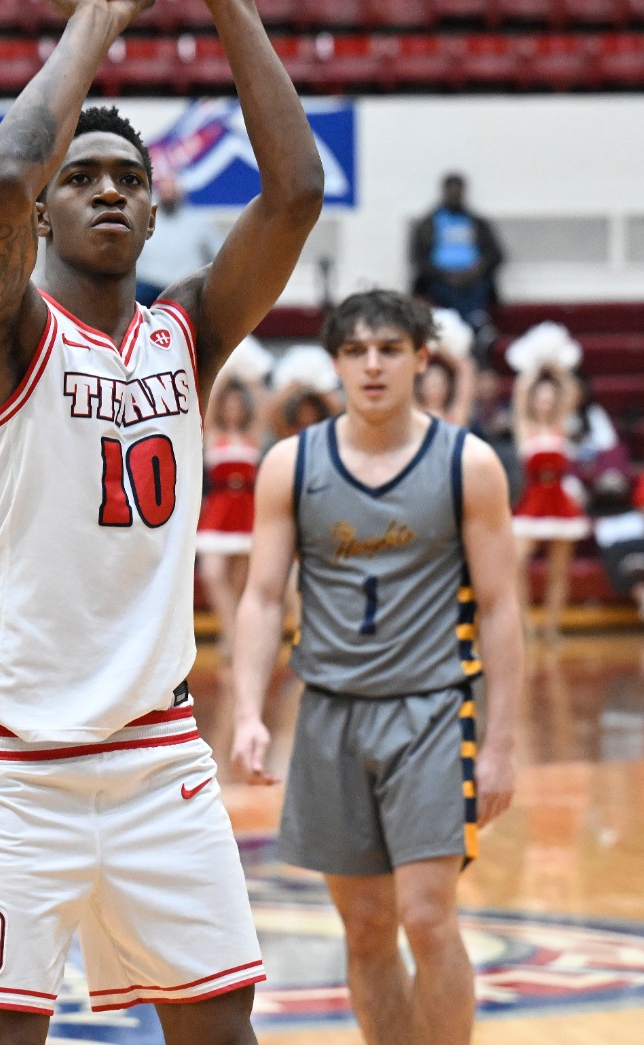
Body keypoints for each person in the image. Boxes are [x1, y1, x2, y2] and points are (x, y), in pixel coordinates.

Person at [0, 0, 321, 1041]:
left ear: (155, 212)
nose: (105, 191)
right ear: (48, 212)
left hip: (157, 757)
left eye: (128, 181)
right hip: (10, 767)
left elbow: (295, 190)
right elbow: (2, 170)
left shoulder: (184, 335)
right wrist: (98, 14)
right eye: (82, 178)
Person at [230, 292, 523, 1045]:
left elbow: (499, 607)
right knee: (365, 928)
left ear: (422, 359)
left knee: (427, 918)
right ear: (334, 363)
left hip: (431, 710)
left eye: (389, 349)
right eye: (355, 351)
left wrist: (500, 744)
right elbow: (262, 596)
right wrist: (248, 712)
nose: (372, 365)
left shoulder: (470, 464)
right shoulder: (291, 465)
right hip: (329, 711)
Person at [511, 359, 588, 642]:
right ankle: (526, 624)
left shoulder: (561, 427)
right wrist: (534, 367)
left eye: (549, 398)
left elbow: (570, 389)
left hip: (559, 500)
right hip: (532, 500)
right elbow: (519, 396)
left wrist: (556, 366)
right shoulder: (524, 426)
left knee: (559, 570)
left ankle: (552, 627)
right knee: (515, 563)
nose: (545, 403)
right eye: (540, 398)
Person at [196, 371, 262, 656]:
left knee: (239, 584)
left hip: (247, 509)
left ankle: (232, 641)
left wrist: (249, 377)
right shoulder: (213, 436)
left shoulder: (252, 437)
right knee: (212, 573)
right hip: (219, 508)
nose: (233, 409)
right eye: (229, 405)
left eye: (238, 405)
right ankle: (233, 632)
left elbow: (264, 406)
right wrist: (223, 376)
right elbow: (205, 408)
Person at [409, 173, 504, 329]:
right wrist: (446, 274)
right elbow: (418, 259)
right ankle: (471, 325)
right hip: (440, 278)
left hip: (474, 278)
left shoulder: (477, 222)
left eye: (458, 190)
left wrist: (477, 269)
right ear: (444, 191)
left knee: (479, 289)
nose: (454, 194)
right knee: (449, 292)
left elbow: (496, 255)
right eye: (451, 190)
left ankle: (471, 325)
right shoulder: (428, 223)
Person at [135, 167, 222, 305]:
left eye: (172, 190)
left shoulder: (199, 222)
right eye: (165, 190)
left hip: (185, 287)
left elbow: (220, 255)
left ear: (181, 192)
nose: (168, 194)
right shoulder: (141, 220)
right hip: (147, 285)